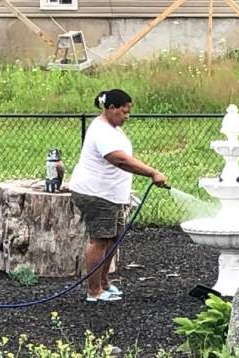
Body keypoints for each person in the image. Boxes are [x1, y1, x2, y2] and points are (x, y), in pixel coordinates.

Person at [68, 89, 168, 302]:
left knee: (114, 237)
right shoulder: (101, 131)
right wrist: (152, 172)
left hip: (111, 195)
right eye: (124, 111)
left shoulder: (111, 128)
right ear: (111, 108)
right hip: (96, 193)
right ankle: (94, 291)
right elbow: (119, 159)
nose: (127, 116)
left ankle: (104, 283)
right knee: (99, 240)